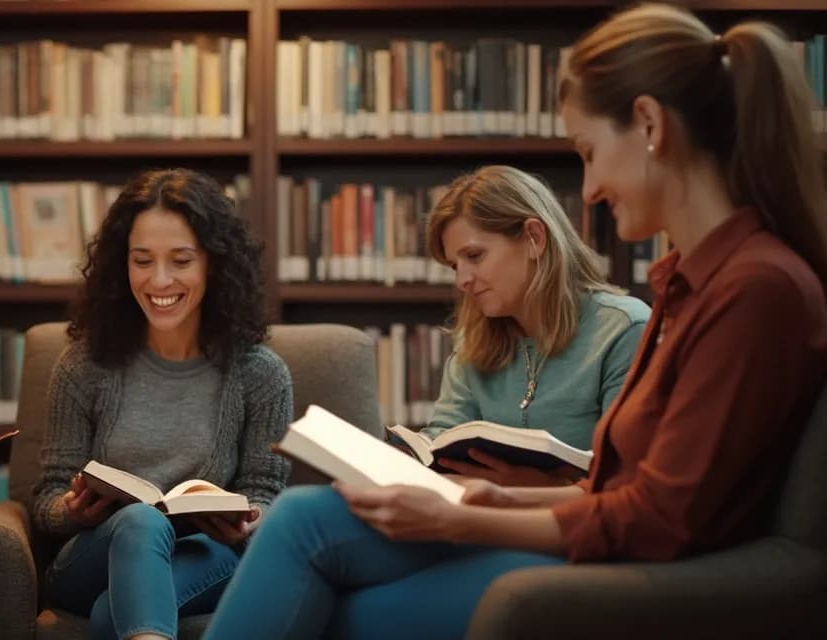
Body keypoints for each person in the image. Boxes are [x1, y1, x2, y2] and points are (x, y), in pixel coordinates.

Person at [203, 4, 827, 639]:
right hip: (588, 535)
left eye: (587, 152)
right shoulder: (692, 285)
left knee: (335, 597)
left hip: (634, 574)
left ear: (648, 124)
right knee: (302, 519)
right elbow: (626, 487)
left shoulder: (754, 290)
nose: (586, 192)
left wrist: (461, 520)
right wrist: (500, 499)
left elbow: (659, 517)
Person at [33, 168, 294, 640]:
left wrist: (248, 521)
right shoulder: (83, 366)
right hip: (96, 553)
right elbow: (46, 501)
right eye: (142, 260)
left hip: (204, 554)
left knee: (113, 613)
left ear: (214, 264)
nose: (159, 280)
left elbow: (266, 494)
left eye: (180, 260)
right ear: (121, 264)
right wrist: (74, 509)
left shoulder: (259, 373)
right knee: (138, 520)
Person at [420, 165, 649, 486]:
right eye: (454, 266)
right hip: (471, 518)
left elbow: (629, 483)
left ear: (534, 238)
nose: (462, 280)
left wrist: (541, 488)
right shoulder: (474, 340)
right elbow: (440, 440)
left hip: (572, 529)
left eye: (474, 255)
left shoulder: (623, 330)